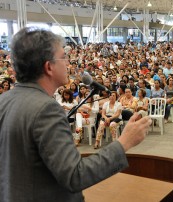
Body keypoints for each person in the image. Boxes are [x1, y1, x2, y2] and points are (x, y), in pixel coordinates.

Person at [0, 28, 152, 202]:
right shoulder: (46, 110)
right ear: (49, 67)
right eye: (63, 57)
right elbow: (74, 176)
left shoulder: (4, 101)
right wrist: (124, 142)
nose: (68, 62)